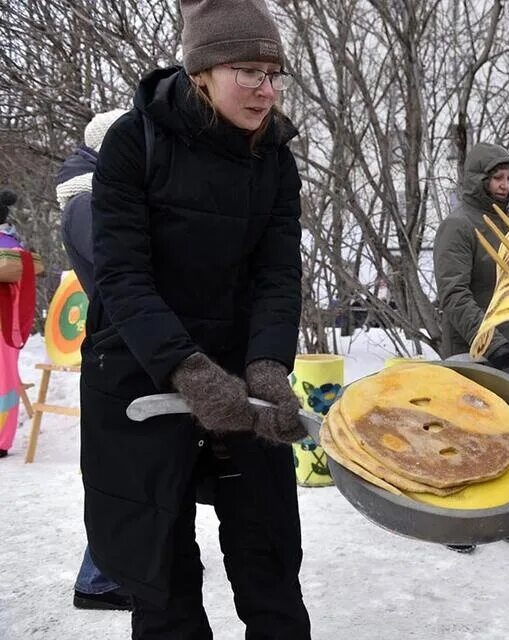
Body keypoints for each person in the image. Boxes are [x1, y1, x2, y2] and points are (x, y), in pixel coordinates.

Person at [82, 0, 310, 636]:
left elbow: (277, 274)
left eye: (275, 73)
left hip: (241, 373)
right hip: (140, 370)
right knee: (162, 579)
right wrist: (185, 367)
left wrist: (266, 364)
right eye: (249, 71)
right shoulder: (135, 143)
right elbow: (122, 275)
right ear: (202, 71)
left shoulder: (274, 158)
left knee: (269, 564)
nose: (266, 90)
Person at [433, 142, 509, 553]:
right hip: (476, 348)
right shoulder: (459, 226)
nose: (503, 185)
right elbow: (454, 295)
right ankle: (459, 523)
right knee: (466, 435)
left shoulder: (507, 222)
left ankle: (504, 511)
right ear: (478, 179)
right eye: (496, 178)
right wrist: (490, 342)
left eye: (508, 178)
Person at [56, 107, 133, 611]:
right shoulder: (87, 203)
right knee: (121, 473)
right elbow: (116, 274)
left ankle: (116, 565)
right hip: (117, 348)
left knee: (130, 471)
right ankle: (98, 578)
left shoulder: (98, 197)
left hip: (123, 343)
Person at [0, 188, 28, 459]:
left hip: (5, 326)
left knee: (4, 382)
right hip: (9, 326)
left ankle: (1, 440)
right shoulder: (14, 245)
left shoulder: (10, 248)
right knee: (4, 381)